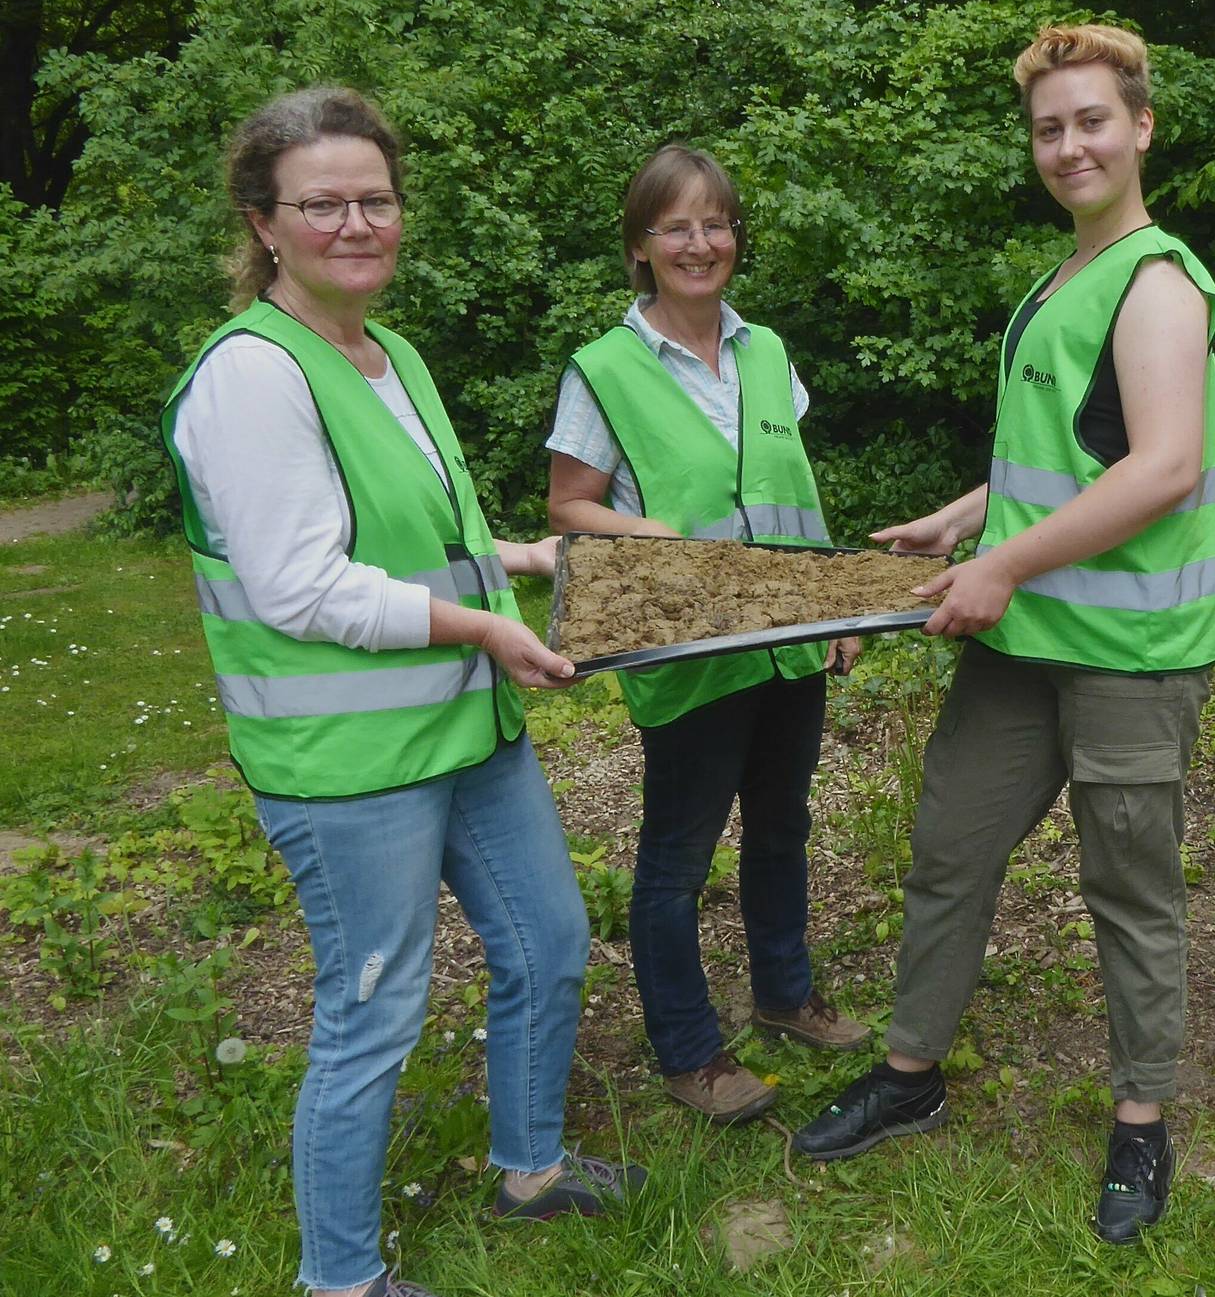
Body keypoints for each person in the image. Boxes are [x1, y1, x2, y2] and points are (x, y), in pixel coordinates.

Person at [162, 86, 641, 1297]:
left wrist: (525, 563)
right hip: (350, 765)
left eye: (374, 198)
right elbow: (301, 588)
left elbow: (426, 532)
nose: (356, 222)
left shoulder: (390, 353)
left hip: (465, 726)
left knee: (550, 940)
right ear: (266, 222)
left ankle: (529, 1165)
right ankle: (343, 1281)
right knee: (372, 1008)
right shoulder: (253, 376)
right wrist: (487, 621)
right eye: (322, 202)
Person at [792, 24, 1215, 1244]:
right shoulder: (1061, 281)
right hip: (1024, 641)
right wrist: (965, 517)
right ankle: (909, 1072)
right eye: (1050, 127)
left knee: (1129, 889)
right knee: (950, 847)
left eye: (1093, 119)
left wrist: (1001, 563)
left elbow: (1159, 472)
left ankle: (1142, 1125)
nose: (1070, 145)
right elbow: (1071, 461)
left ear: (1142, 127)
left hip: (1131, 656)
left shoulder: (1157, 282)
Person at [546, 144, 871, 1125]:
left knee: (782, 826)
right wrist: (644, 530)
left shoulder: (765, 351)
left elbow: (792, 489)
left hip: (785, 641)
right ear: (641, 247)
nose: (700, 243)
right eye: (676, 226)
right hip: (689, 654)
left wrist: (834, 607)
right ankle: (688, 1048)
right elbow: (570, 505)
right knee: (677, 859)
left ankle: (784, 994)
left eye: (717, 223)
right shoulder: (604, 368)